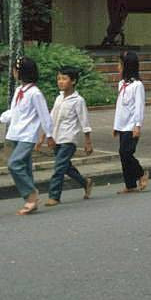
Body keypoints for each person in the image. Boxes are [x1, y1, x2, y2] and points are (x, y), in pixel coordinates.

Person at [0, 56, 54, 215]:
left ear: (21, 72)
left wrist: (49, 135)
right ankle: (31, 202)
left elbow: (44, 115)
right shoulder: (19, 91)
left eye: (14, 70)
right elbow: (14, 111)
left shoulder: (35, 93)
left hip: (27, 136)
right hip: (15, 134)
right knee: (25, 167)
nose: (13, 72)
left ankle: (31, 194)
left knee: (14, 164)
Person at [40, 67, 94, 206]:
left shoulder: (78, 101)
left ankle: (54, 196)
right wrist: (44, 136)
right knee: (66, 167)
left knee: (59, 168)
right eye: (59, 79)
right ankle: (85, 182)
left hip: (69, 139)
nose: (60, 82)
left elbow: (84, 121)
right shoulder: (59, 98)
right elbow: (51, 118)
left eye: (64, 79)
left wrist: (88, 141)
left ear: (73, 81)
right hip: (56, 137)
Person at [112, 51, 148, 194]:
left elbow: (139, 106)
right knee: (123, 155)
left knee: (126, 152)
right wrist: (116, 126)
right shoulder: (121, 84)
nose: (118, 67)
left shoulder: (137, 85)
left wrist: (137, 125)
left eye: (120, 64)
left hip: (132, 125)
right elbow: (119, 107)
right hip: (122, 125)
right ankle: (130, 184)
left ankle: (141, 173)